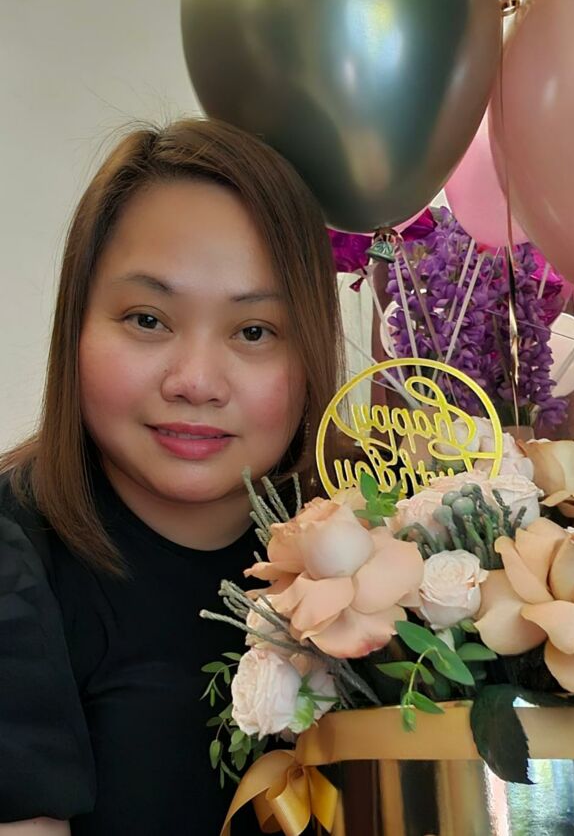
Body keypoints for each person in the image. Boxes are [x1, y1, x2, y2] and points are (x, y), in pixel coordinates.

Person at [0, 118, 343, 835]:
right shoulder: (15, 557)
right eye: (148, 319)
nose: (195, 381)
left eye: (254, 331)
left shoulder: (386, 551)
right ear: (76, 325)